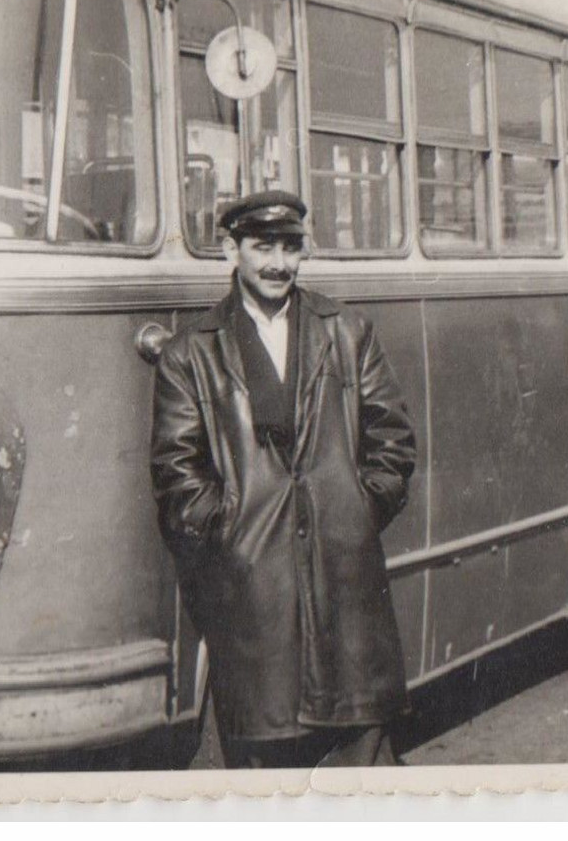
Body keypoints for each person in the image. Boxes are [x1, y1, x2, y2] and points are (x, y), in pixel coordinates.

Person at [149, 189, 417, 768]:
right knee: (265, 771)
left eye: (290, 248)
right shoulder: (189, 353)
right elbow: (176, 472)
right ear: (232, 250)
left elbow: (392, 443)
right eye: (262, 246)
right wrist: (231, 533)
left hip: (345, 587)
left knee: (360, 773)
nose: (278, 263)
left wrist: (354, 513)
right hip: (253, 600)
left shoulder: (347, 332)